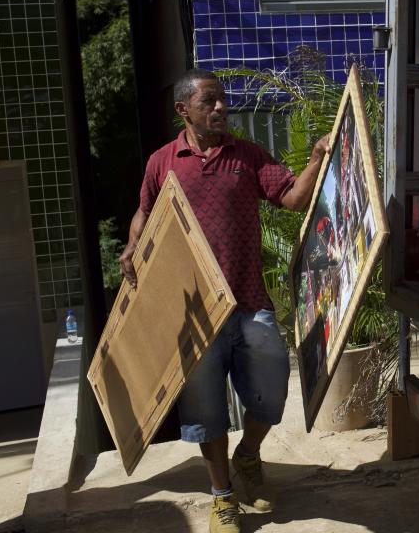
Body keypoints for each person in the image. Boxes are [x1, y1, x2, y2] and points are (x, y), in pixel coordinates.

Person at [119, 68, 329, 533]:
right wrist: (133, 246)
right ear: (184, 110)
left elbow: (292, 198)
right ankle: (222, 497)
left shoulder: (247, 156)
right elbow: (145, 213)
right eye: (208, 101)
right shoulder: (162, 162)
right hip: (192, 310)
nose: (220, 108)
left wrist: (315, 158)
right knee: (206, 408)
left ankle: (249, 456)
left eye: (222, 100)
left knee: (271, 390)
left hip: (249, 300)